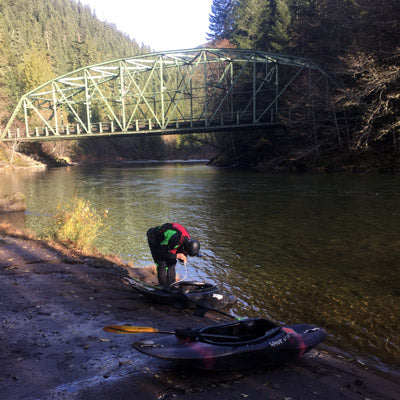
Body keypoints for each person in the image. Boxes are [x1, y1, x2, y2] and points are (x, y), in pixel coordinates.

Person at [146, 223, 200, 288]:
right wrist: (177, 256)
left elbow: (177, 252)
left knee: (172, 263)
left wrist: (182, 258)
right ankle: (163, 288)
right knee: (162, 264)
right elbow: (161, 252)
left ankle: (172, 285)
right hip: (154, 238)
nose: (186, 255)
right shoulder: (175, 239)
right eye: (186, 253)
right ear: (184, 248)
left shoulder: (187, 241)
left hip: (169, 243)